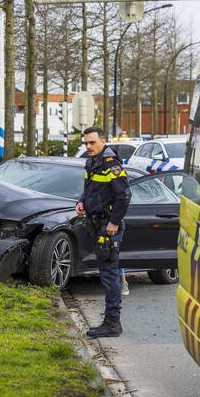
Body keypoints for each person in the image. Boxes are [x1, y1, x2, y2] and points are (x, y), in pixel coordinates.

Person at [76, 126, 130, 338]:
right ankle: (110, 320)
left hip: (108, 227)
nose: (88, 146)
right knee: (108, 272)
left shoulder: (110, 163)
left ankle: (112, 323)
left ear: (103, 141)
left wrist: (114, 222)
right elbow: (90, 188)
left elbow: (124, 195)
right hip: (96, 224)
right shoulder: (92, 162)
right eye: (86, 143)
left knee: (109, 275)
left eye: (92, 143)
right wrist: (81, 202)